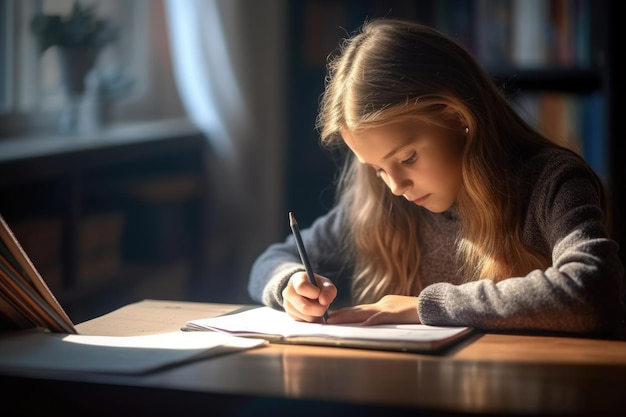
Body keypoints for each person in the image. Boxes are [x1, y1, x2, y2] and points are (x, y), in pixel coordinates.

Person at [247, 18, 625, 332]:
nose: (395, 186)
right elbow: (271, 260)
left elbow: (594, 289)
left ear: (459, 119)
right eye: (378, 169)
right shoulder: (380, 203)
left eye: (407, 157)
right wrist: (290, 284)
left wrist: (423, 307)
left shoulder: (550, 183)